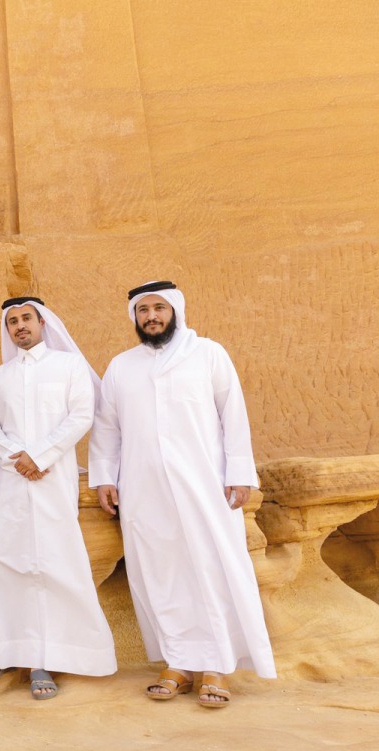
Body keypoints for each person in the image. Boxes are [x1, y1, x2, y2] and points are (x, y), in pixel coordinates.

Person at [89, 280, 276, 708]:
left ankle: (217, 666)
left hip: (205, 485)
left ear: (175, 310)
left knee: (210, 568)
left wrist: (240, 472)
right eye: (143, 311)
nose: (151, 317)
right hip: (144, 490)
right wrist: (104, 477)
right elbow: (107, 428)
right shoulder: (121, 366)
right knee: (160, 573)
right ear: (135, 318)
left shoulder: (208, 354)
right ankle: (177, 662)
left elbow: (234, 415)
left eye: (159, 308)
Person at [0, 297, 117, 699]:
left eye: (26, 319)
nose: (20, 326)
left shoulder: (68, 366)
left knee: (53, 561)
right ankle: (5, 650)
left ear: (42, 323)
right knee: (0, 558)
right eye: (12, 322)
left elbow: (80, 416)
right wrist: (16, 459)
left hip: (53, 477)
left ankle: (49, 659)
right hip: (11, 480)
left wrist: (39, 457)